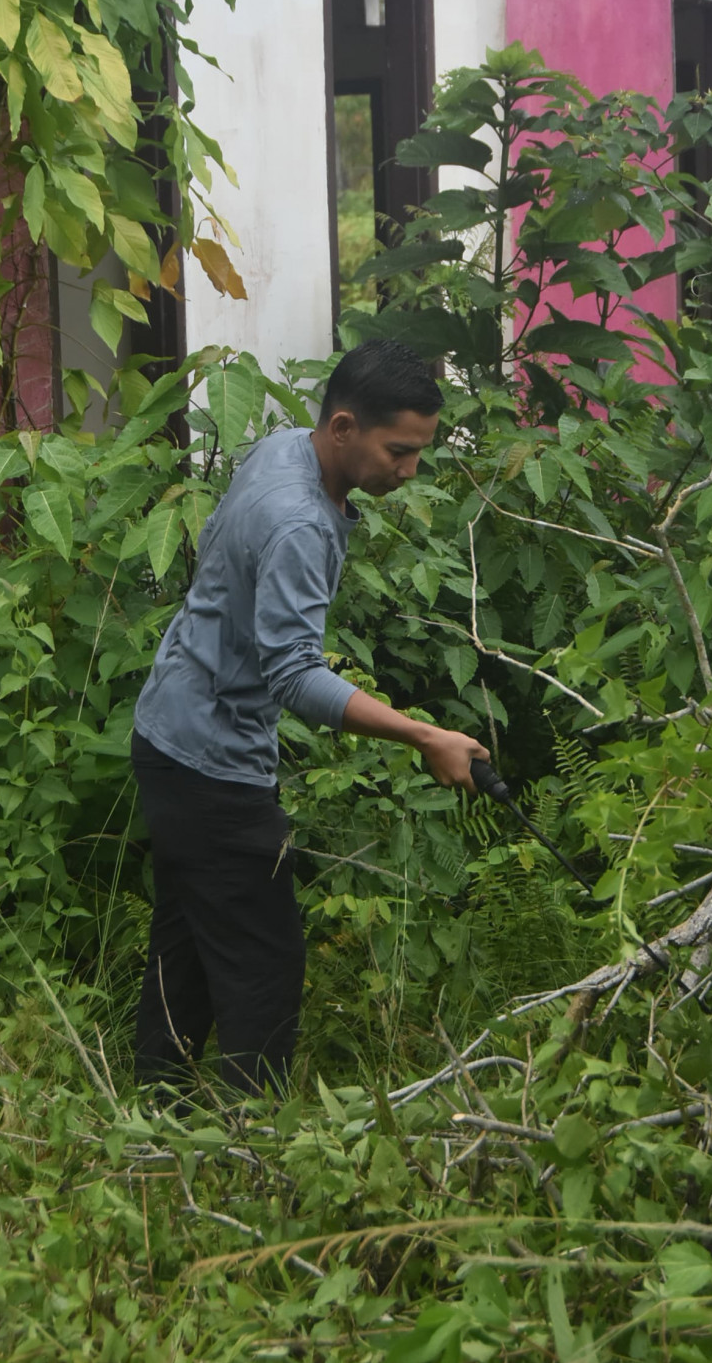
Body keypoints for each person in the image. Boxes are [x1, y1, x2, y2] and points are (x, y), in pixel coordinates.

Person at [130, 338, 488, 1094]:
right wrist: (424, 734)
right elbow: (293, 675)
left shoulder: (287, 447)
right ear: (345, 427)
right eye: (399, 450)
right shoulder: (301, 522)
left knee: (189, 942)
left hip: (170, 729)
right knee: (265, 959)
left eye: (419, 451)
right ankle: (248, 1135)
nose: (409, 470)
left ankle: (155, 1113)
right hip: (208, 762)